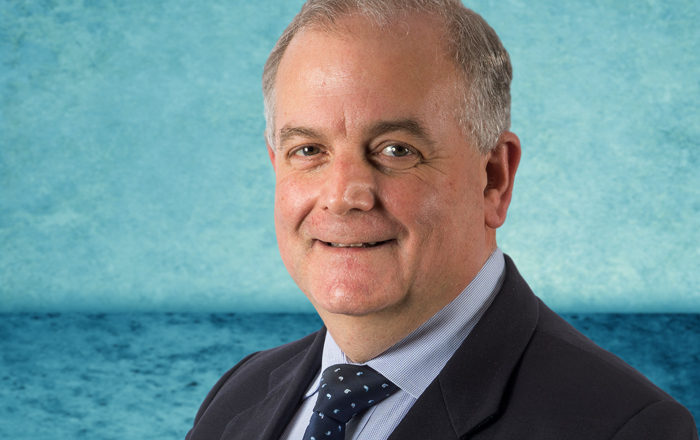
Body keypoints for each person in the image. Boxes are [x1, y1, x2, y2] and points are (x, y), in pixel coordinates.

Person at [186, 1, 698, 439]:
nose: (342, 197)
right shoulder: (239, 394)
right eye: (309, 150)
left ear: (493, 179)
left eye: (396, 150)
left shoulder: (622, 428)